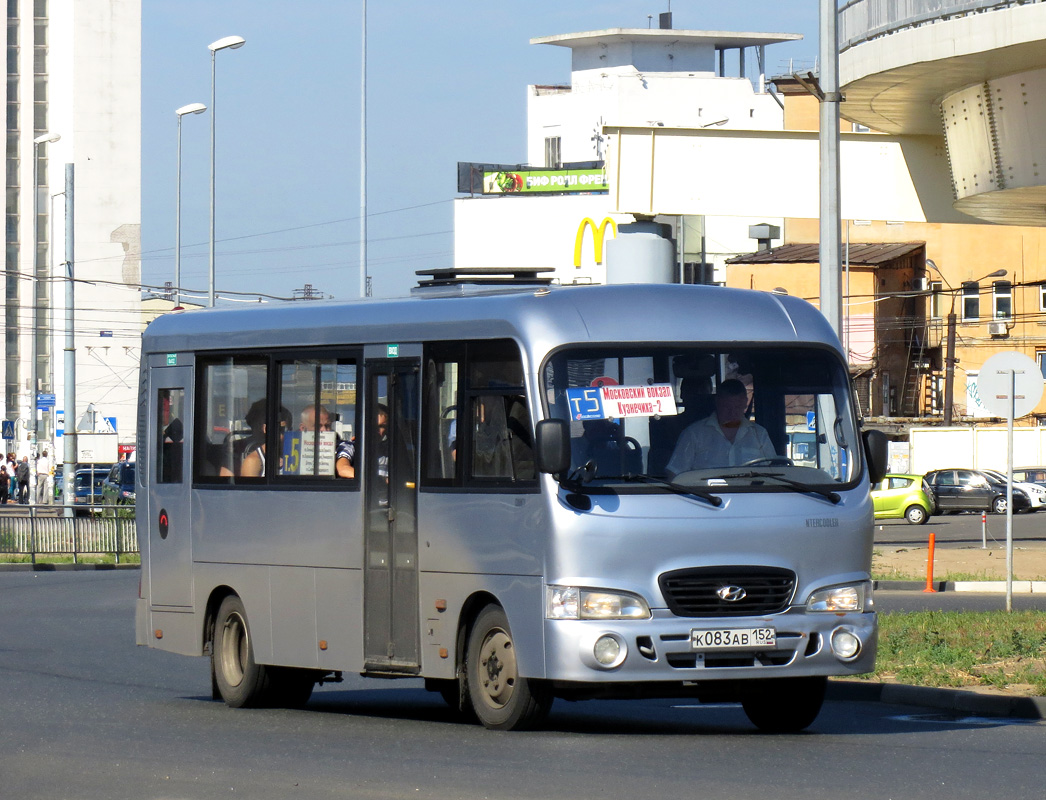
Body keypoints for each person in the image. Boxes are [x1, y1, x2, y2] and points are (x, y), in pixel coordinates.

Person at [664, 378, 776, 477]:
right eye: (727, 407)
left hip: (751, 498)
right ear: (717, 402)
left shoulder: (759, 435)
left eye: (737, 407)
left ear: (745, 403)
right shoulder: (694, 434)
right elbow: (675, 474)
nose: (732, 413)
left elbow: (773, 474)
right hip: (706, 499)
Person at [335, 404, 388, 480]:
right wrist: (378, 481)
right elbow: (343, 469)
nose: (376, 430)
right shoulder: (350, 446)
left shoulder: (390, 451)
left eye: (381, 426)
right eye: (372, 425)